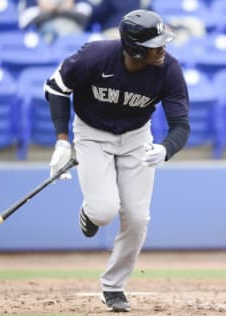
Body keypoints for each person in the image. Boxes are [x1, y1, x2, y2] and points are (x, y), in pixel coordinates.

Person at [44, 9, 190, 312]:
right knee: (103, 212)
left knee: (137, 219)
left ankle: (113, 287)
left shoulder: (169, 69)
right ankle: (90, 213)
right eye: (156, 45)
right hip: (92, 133)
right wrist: (61, 142)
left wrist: (166, 149)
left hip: (137, 137)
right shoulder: (94, 57)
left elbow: (181, 125)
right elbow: (55, 87)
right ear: (135, 49)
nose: (163, 49)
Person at [18, 0, 93, 43]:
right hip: (45, 40)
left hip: (73, 38)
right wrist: (44, 9)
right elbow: (23, 22)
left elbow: (89, 13)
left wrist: (67, 9)